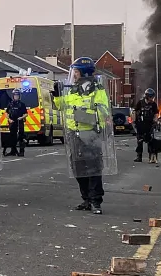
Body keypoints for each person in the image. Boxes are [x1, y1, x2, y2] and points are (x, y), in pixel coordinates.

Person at [52, 57, 109, 215]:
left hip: (90, 134)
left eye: (76, 72)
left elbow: (103, 112)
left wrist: (82, 115)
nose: (74, 75)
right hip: (73, 134)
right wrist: (57, 95)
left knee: (94, 169)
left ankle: (95, 201)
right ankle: (86, 198)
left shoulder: (97, 90)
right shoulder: (72, 89)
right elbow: (62, 107)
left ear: (84, 73)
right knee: (78, 168)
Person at [132, 88, 159, 163]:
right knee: (139, 141)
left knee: (150, 141)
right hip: (140, 124)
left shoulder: (153, 104)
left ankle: (151, 157)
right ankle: (139, 156)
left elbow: (156, 113)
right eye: (151, 97)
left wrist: (155, 120)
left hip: (149, 125)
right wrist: (134, 121)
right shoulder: (140, 102)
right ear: (147, 96)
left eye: (153, 97)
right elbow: (134, 111)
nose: (152, 99)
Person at [4, 88, 28, 157]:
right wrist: (9, 119)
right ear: (13, 96)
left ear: (19, 96)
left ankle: (21, 151)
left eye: (17, 95)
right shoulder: (10, 104)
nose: (16, 97)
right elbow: (6, 113)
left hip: (19, 121)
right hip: (12, 122)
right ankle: (13, 151)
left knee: (21, 137)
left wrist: (21, 118)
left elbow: (26, 113)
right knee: (12, 137)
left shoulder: (22, 104)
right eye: (15, 95)